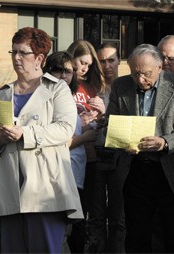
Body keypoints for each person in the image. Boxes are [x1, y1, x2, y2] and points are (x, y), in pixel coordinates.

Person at [0, 27, 83, 253]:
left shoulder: (57, 89)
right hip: (9, 188)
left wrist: (26, 133)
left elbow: (65, 129)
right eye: (13, 52)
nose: (16, 58)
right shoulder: (2, 94)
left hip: (45, 188)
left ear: (40, 58)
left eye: (23, 53)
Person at [106, 43, 174, 253]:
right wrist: (123, 142)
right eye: (135, 74)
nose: (140, 80)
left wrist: (165, 142)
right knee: (136, 235)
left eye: (146, 74)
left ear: (160, 67)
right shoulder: (120, 86)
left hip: (170, 170)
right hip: (135, 169)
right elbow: (109, 123)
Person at [43, 51, 97, 253]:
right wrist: (84, 137)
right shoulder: (46, 98)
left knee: (74, 229)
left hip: (76, 172)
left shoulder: (69, 98)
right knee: (61, 232)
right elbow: (54, 142)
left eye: (69, 71)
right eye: (59, 70)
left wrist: (89, 125)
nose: (64, 75)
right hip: (59, 175)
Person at [66, 39, 106, 253]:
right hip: (69, 157)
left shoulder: (91, 87)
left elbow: (100, 123)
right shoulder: (63, 85)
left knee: (84, 218)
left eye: (89, 65)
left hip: (90, 159)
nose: (84, 68)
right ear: (71, 58)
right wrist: (79, 123)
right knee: (69, 220)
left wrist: (101, 115)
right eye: (82, 62)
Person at [87, 42, 126, 253]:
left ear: (119, 60)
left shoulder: (127, 88)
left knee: (119, 218)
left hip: (119, 157)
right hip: (95, 157)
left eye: (111, 60)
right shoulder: (92, 89)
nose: (107, 65)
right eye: (102, 61)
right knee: (96, 215)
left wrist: (104, 117)